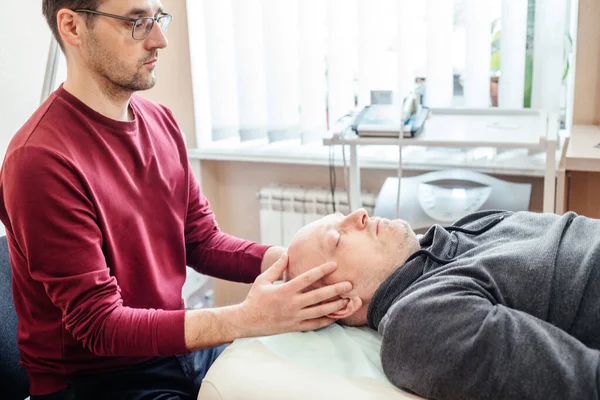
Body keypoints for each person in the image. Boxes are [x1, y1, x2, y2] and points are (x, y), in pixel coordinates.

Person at [0, 1, 353, 398]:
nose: (159, 40)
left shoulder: (161, 121)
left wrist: (299, 263)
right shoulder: (40, 160)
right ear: (73, 27)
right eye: (136, 23)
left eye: (157, 19)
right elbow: (101, 325)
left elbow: (200, 241)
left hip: (173, 352)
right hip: (97, 381)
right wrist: (248, 318)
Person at [287, 208, 600, 399]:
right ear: (342, 304)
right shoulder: (420, 320)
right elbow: (582, 384)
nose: (359, 215)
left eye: (343, 216)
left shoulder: (449, 238)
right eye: (337, 238)